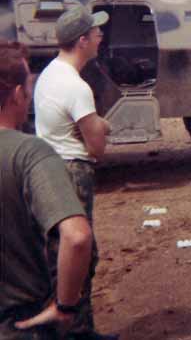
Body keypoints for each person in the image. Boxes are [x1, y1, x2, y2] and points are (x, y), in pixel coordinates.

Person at [0, 40, 92, 340]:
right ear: (17, 95)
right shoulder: (29, 153)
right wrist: (65, 306)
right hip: (23, 322)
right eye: (28, 86)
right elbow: (77, 237)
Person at [34, 5, 116, 340]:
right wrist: (102, 125)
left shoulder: (51, 73)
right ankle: (71, 330)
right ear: (82, 40)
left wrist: (95, 124)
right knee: (78, 256)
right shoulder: (77, 88)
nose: (100, 35)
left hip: (52, 168)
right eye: (95, 31)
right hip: (73, 172)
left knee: (64, 254)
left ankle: (80, 329)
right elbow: (97, 147)